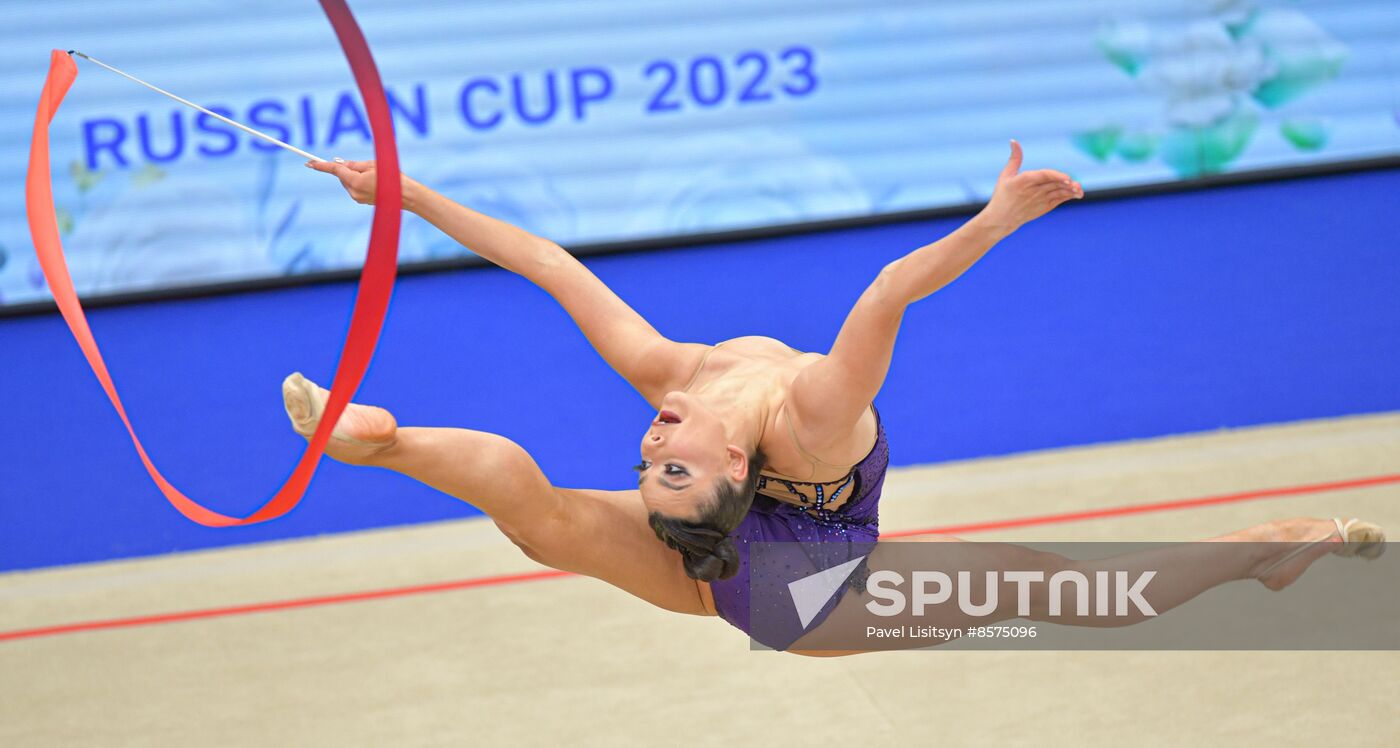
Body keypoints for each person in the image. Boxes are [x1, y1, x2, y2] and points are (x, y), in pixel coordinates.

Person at [289, 143, 1384, 653]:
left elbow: (544, 261)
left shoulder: (679, 387)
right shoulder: (807, 423)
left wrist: (407, 192)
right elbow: (889, 287)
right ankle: (1271, 544)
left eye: (650, 455)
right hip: (801, 594)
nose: (652, 431)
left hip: (721, 557)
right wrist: (993, 220)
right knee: (1086, 593)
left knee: (547, 519)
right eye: (668, 454)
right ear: (729, 469)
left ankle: (380, 442)